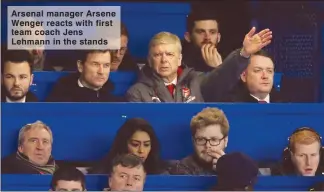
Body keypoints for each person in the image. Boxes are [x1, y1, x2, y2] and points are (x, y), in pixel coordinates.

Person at [127, 27, 272, 102]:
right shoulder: (137, 93)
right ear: (149, 60)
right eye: (158, 55)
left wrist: (244, 53)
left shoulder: (197, 82)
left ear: (179, 59)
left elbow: (222, 76)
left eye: (170, 54)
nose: (164, 60)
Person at [90, 118, 169, 174]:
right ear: (123, 144)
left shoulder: (161, 173)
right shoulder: (104, 171)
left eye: (146, 145)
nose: (141, 150)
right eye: (135, 144)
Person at [46, 49, 124, 102]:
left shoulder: (116, 100)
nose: (101, 71)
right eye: (95, 64)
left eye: (106, 65)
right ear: (80, 66)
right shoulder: (60, 98)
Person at [170, 107, 229, 175]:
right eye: (201, 139)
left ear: (225, 141)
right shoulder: (181, 169)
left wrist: (227, 173)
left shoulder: (237, 169)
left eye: (214, 139)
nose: (207, 146)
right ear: (193, 141)